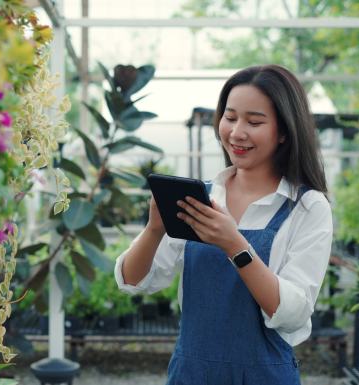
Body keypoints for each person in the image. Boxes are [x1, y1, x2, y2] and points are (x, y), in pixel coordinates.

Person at [114, 64, 332, 385]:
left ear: (284, 131)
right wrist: (154, 230)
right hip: (192, 374)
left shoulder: (307, 207)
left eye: (254, 121)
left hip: (265, 375)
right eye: (230, 118)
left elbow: (293, 314)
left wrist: (235, 246)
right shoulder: (203, 198)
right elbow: (133, 281)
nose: (236, 132)